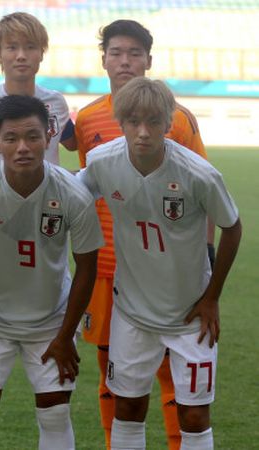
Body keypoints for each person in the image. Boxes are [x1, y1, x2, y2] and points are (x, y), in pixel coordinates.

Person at [78, 77, 241, 450]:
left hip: (190, 315)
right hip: (132, 312)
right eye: (133, 121)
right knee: (129, 407)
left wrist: (212, 297)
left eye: (153, 121)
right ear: (121, 122)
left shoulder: (199, 174)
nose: (143, 132)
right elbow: (75, 194)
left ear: (169, 124)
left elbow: (232, 228)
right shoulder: (104, 163)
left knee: (194, 415)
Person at [72, 20, 211, 450]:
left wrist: (203, 261)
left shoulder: (178, 119)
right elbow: (84, 189)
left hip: (169, 270)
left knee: (174, 372)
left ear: (149, 60)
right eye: (117, 52)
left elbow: (204, 196)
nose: (125, 61)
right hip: (108, 266)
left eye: (135, 53)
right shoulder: (88, 119)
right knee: (112, 373)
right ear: (104, 60)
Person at [0, 95, 102, 450]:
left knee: (55, 413)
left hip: (50, 320)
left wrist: (65, 334)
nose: (23, 147)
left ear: (49, 136)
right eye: (11, 138)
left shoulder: (73, 194)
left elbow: (87, 265)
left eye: (32, 136)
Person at [0, 12, 75, 176]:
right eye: (12, 47)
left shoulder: (56, 102)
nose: (21, 56)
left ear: (41, 53)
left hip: (47, 201)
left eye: (30, 47)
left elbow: (73, 143)